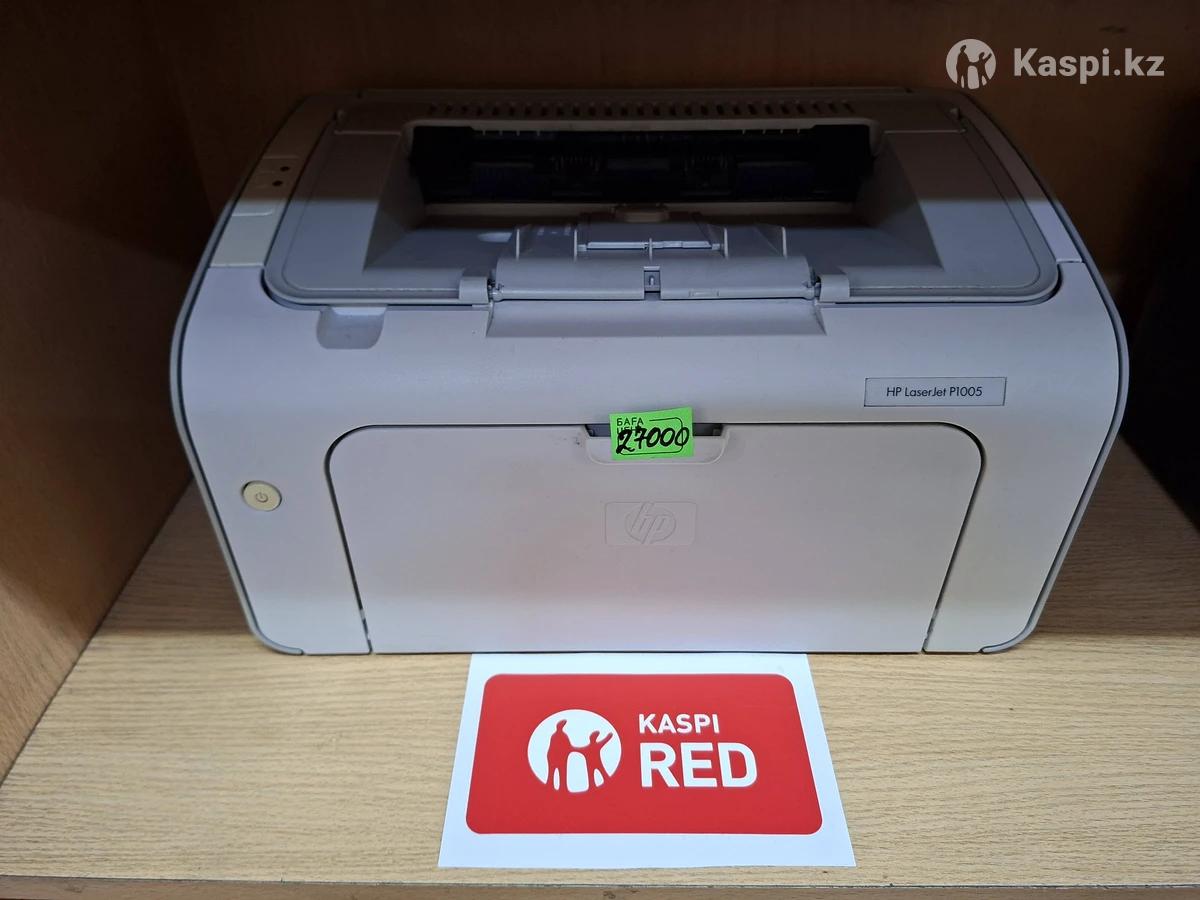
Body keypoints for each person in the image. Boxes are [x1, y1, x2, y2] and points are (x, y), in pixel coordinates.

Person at [545, 719, 573, 791]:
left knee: (556, 773)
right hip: (557, 757)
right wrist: (575, 749)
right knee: (559, 773)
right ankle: (554, 788)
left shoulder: (558, 735)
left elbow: (568, 747)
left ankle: (560, 789)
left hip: (555, 757)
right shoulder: (561, 736)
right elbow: (569, 747)